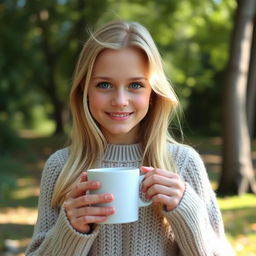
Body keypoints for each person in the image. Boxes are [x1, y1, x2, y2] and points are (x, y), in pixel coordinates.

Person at [26, 20, 235, 256]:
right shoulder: (61, 167)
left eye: (135, 85)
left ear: (153, 93)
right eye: (104, 84)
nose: (120, 100)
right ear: (85, 90)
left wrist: (186, 208)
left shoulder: (184, 164)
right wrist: (70, 230)